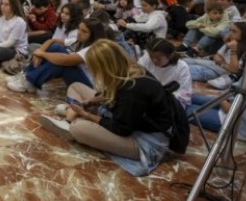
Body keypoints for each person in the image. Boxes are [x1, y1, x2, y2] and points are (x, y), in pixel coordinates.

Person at [39, 39, 173, 176]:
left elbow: (122, 129)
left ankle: (71, 119)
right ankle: (71, 115)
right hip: (129, 118)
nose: (92, 71)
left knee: (78, 128)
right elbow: (114, 94)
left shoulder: (132, 89)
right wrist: (92, 101)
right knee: (76, 87)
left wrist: (87, 115)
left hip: (144, 141)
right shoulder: (129, 70)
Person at [187, 47, 246, 143]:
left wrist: (224, 102)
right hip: (229, 106)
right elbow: (233, 90)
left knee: (188, 110)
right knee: (190, 97)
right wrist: (225, 101)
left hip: (237, 124)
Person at [8, 17, 110, 93]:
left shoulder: (93, 49)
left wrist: (42, 53)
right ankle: (28, 77)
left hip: (90, 88)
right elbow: (52, 41)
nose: (79, 33)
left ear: (93, 35)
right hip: (78, 79)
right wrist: (40, 53)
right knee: (56, 47)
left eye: (84, 31)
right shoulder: (80, 41)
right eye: (79, 29)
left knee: (59, 63)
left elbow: (65, 60)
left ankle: (29, 81)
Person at [139, 38, 193, 107]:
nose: (154, 60)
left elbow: (184, 95)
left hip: (172, 102)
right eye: (151, 56)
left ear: (170, 55)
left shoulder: (182, 67)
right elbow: (138, 77)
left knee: (205, 110)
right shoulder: (146, 59)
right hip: (153, 98)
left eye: (158, 59)